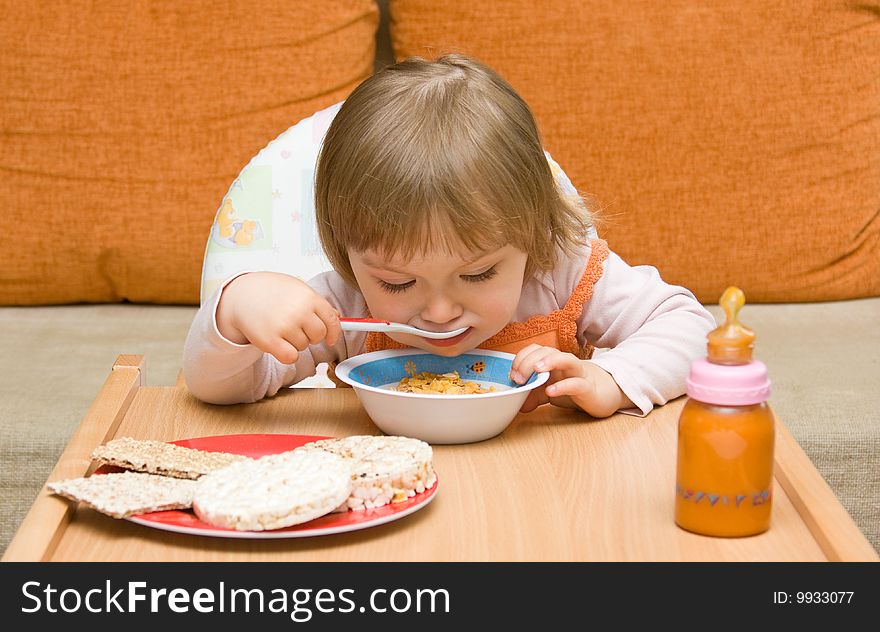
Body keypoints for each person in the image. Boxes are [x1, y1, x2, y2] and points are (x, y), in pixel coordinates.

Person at [183, 54, 715, 418]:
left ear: (531, 234)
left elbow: (690, 326)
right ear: (348, 253)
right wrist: (236, 310)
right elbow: (219, 390)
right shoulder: (341, 309)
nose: (438, 313)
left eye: (479, 273)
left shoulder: (561, 273)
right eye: (396, 282)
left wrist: (615, 381)